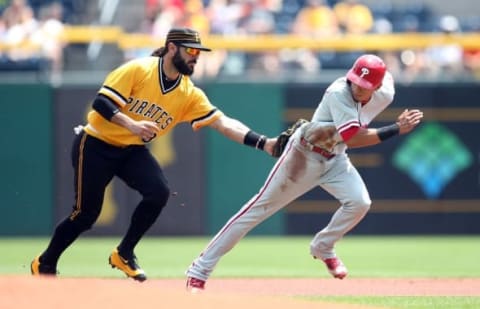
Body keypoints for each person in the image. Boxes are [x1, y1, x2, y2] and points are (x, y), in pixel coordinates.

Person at [30, 27, 277, 281]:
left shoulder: (188, 93)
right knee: (85, 215)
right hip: (95, 144)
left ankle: (124, 252)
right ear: (172, 48)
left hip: (131, 150)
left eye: (199, 53)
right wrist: (132, 125)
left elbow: (223, 123)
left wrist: (264, 143)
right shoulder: (139, 69)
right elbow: (101, 103)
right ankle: (45, 263)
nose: (196, 57)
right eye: (191, 50)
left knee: (158, 192)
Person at [185, 54, 424, 291]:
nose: (357, 88)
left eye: (365, 86)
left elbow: (390, 74)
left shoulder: (386, 92)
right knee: (256, 210)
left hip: (336, 158)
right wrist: (396, 128)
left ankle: (323, 245)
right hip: (303, 157)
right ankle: (200, 269)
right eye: (355, 81)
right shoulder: (338, 92)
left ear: (378, 86)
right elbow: (353, 138)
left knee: (360, 202)